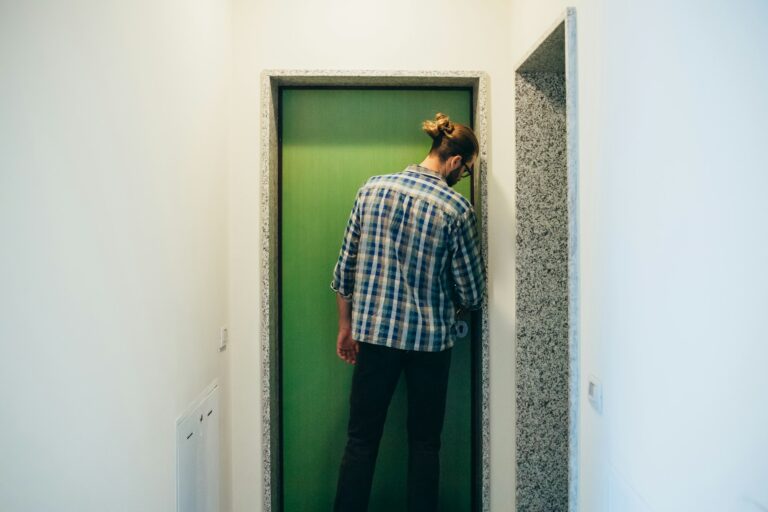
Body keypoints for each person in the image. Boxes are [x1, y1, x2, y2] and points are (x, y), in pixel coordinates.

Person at [330, 112, 486, 512]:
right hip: (430, 345)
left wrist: (345, 327)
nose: (463, 177)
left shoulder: (372, 190)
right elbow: (472, 291)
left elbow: (345, 268)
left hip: (374, 338)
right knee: (424, 444)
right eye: (466, 170)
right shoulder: (455, 209)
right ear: (455, 162)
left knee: (361, 441)